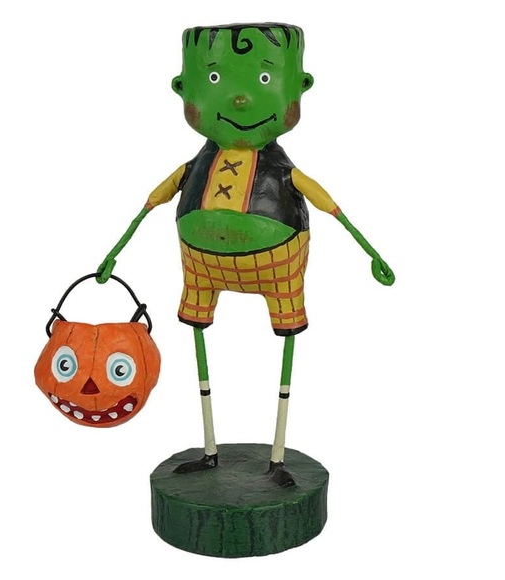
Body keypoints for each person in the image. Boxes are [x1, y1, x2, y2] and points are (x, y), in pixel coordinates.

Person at [97, 23, 394, 487]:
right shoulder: (194, 167)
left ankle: (277, 455)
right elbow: (153, 200)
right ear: (182, 88)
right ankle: (210, 448)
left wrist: (367, 248)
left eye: (264, 78)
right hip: (201, 262)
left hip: (277, 257)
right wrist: (116, 250)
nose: (239, 99)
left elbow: (324, 201)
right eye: (214, 78)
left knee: (285, 333)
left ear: (300, 86)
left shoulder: (279, 169)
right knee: (198, 330)